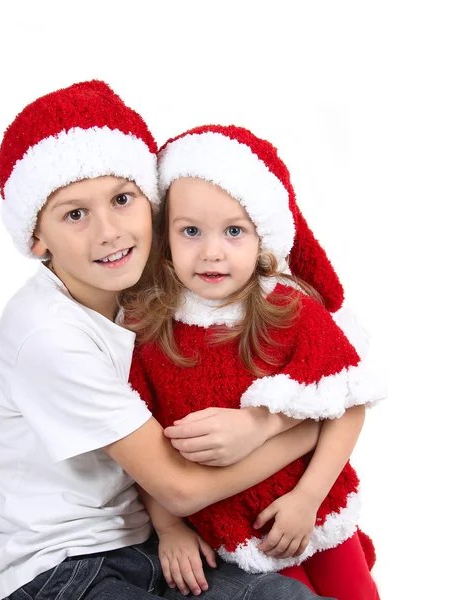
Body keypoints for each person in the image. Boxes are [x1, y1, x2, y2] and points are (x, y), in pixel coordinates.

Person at [0, 81, 336, 600]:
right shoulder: (49, 337)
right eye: (75, 214)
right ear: (37, 238)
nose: (109, 232)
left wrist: (261, 423)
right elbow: (179, 487)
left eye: (122, 199)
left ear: (152, 201)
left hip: (147, 543)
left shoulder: (146, 290)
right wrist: (302, 428)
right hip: (57, 567)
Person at [127, 125, 387, 599]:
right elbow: (137, 443)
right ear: (164, 235)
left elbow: (347, 404)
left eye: (233, 231)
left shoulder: (290, 308)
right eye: (190, 231)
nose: (212, 251)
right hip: (232, 533)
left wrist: (307, 498)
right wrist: (169, 528)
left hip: (314, 506)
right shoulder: (148, 330)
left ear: (261, 236)